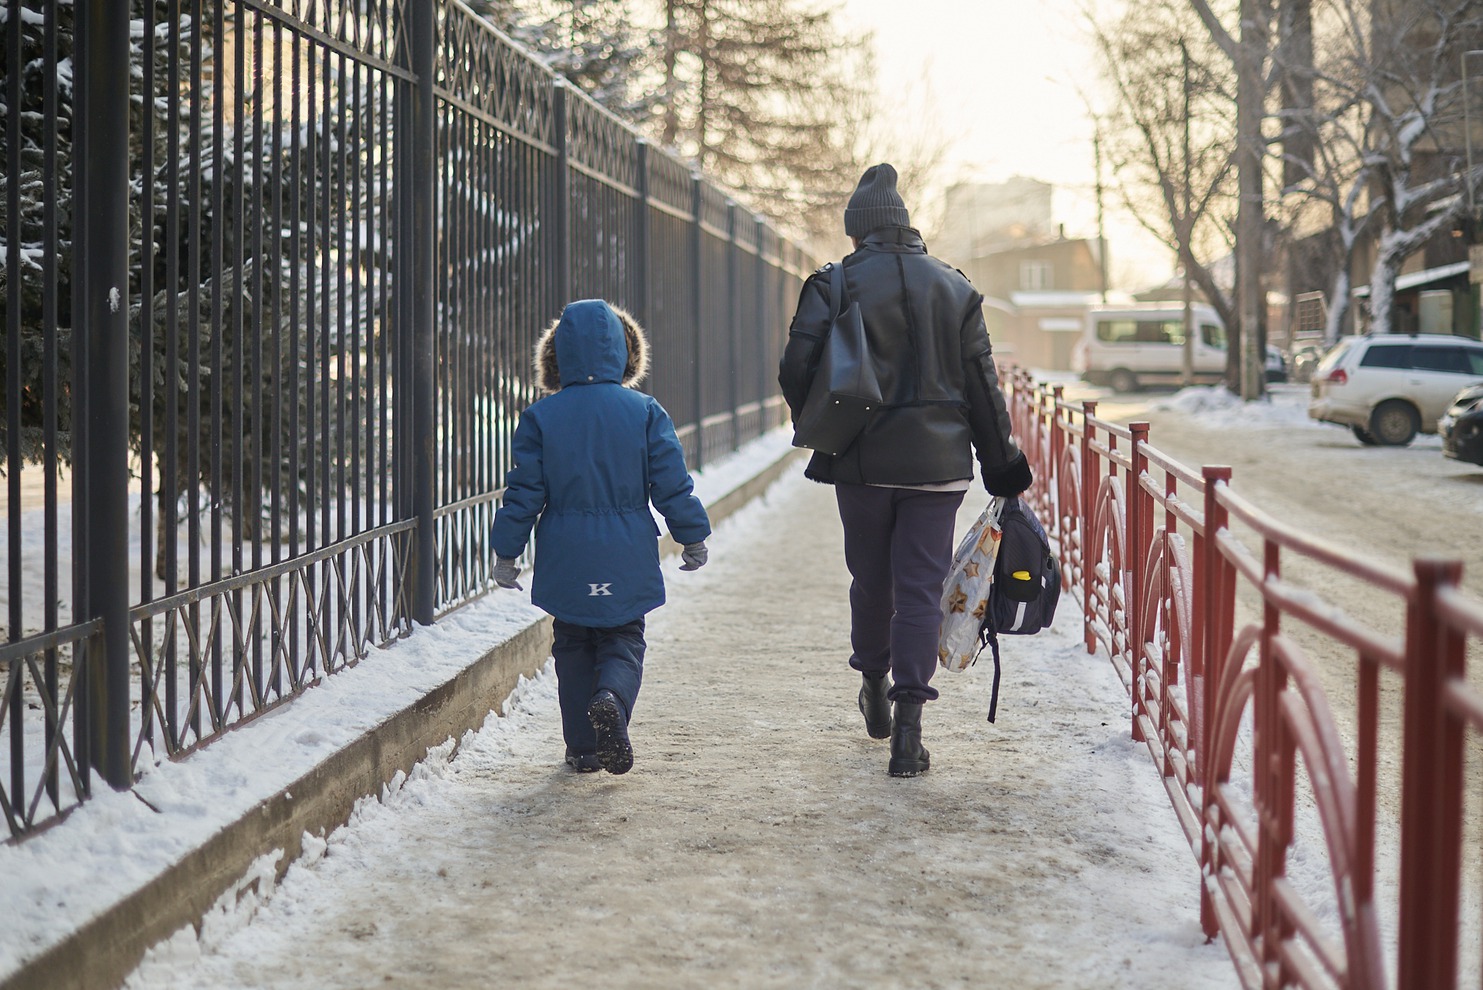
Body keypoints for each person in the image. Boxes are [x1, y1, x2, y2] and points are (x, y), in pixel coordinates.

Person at [778, 163, 1032, 778]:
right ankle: (911, 730)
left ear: (857, 230)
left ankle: (872, 680)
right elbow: (983, 387)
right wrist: (1002, 467)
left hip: (862, 462)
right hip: (938, 465)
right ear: (906, 225)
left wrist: (828, 424)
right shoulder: (955, 287)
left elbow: (795, 368)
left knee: (871, 581)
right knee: (919, 590)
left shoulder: (833, 284)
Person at [492, 299, 711, 775]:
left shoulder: (540, 418)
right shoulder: (645, 411)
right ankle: (612, 697)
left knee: (571, 643)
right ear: (624, 353)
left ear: (556, 358)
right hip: (625, 548)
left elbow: (524, 492)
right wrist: (691, 535)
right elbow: (672, 483)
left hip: (566, 553)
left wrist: (506, 551)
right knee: (624, 637)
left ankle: (583, 749)